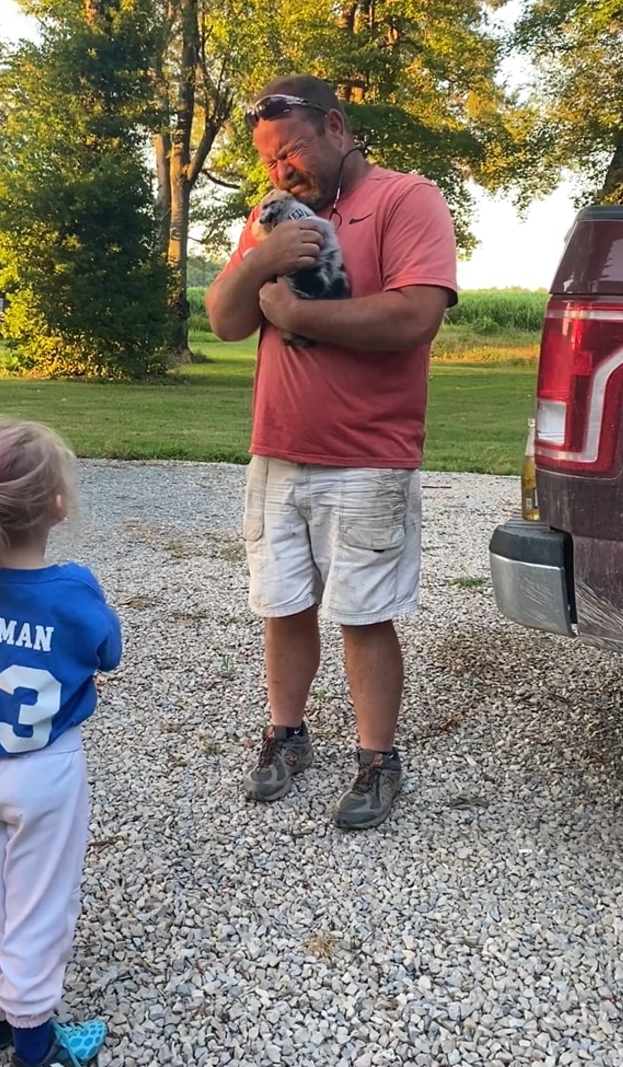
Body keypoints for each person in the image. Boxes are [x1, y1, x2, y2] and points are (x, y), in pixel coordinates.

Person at [205, 74, 458, 830]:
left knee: (364, 615)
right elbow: (224, 320)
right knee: (282, 607)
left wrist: (295, 309)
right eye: (270, 160)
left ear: (337, 129)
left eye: (293, 152)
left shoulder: (407, 199)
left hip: (368, 454)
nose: (282, 171)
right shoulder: (271, 215)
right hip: (277, 450)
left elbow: (415, 316)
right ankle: (286, 736)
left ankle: (378, 760)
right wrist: (259, 260)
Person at [0, 417, 122, 1066]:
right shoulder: (71, 590)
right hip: (43, 770)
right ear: (55, 507)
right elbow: (108, 651)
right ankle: (36, 1044)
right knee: (39, 903)